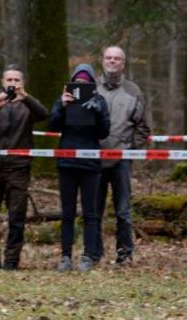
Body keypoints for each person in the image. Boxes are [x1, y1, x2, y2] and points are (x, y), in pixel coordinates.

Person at [0, 65, 49, 271]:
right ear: (2, 82)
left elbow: (44, 114)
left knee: (16, 215)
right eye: (9, 80)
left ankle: (11, 260)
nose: (13, 84)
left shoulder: (27, 105)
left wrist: (25, 97)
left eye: (17, 80)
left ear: (22, 83)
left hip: (19, 168)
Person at [48, 63, 110, 272]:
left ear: (91, 84)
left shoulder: (99, 101)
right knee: (67, 212)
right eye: (78, 81)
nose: (81, 84)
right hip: (67, 162)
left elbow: (104, 132)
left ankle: (88, 256)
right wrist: (61, 106)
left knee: (91, 213)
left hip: (90, 164)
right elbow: (52, 126)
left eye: (85, 82)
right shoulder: (64, 100)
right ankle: (65, 256)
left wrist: (99, 112)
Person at [95, 46, 151, 265]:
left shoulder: (133, 91)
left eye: (117, 58)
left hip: (121, 159)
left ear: (123, 63)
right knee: (93, 211)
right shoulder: (90, 88)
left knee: (123, 211)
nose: (112, 61)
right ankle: (93, 254)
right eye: (109, 57)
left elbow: (143, 127)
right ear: (102, 61)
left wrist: (131, 150)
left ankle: (125, 254)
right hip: (94, 158)